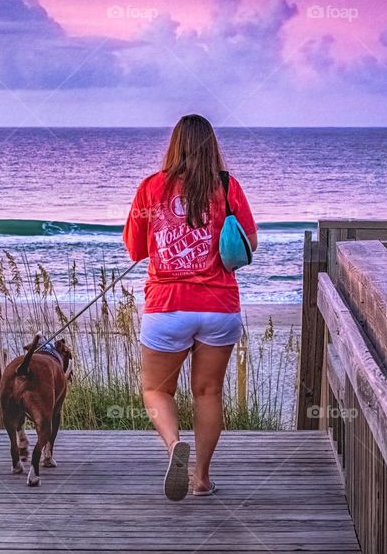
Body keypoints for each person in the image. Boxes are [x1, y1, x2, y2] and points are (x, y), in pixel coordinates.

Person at [123, 113, 258, 501]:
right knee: (208, 393)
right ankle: (201, 477)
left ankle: (172, 448)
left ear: (175, 144)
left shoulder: (151, 188)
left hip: (167, 307)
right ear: (211, 145)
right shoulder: (227, 186)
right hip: (219, 306)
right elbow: (249, 242)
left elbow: (135, 248)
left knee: (155, 390)